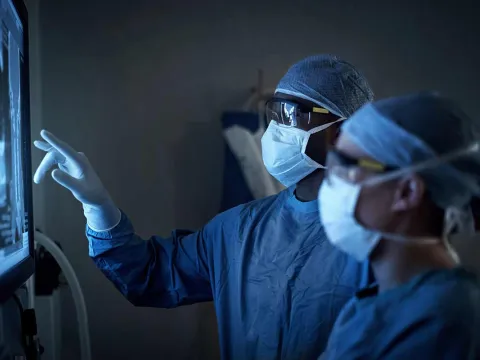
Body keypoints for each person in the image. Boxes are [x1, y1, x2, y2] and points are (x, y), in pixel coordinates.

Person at [34, 55, 374, 359]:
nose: (276, 129)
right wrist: (98, 207)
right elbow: (149, 275)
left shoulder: (380, 239)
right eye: (274, 112)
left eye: (292, 115)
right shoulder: (240, 229)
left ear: (342, 131)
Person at [317, 92, 480, 359]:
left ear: (407, 191)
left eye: (346, 167)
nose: (332, 182)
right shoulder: (376, 303)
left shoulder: (443, 320)